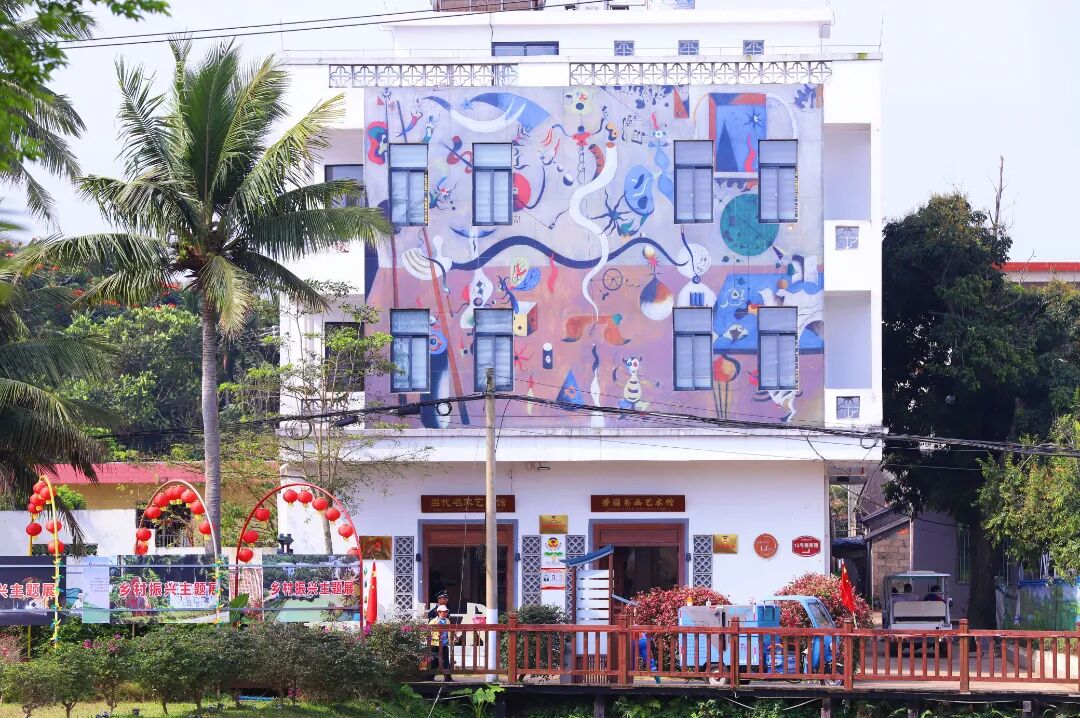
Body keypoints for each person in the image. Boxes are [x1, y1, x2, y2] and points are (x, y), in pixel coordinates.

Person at [427, 604, 455, 681]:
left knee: (446, 661)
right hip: (435, 644)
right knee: (434, 661)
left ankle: (447, 677)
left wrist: (453, 636)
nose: (445, 613)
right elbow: (429, 632)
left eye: (446, 612)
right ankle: (430, 677)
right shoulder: (433, 621)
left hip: (444, 644)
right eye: (443, 612)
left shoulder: (447, 621)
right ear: (439, 612)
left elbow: (450, 631)